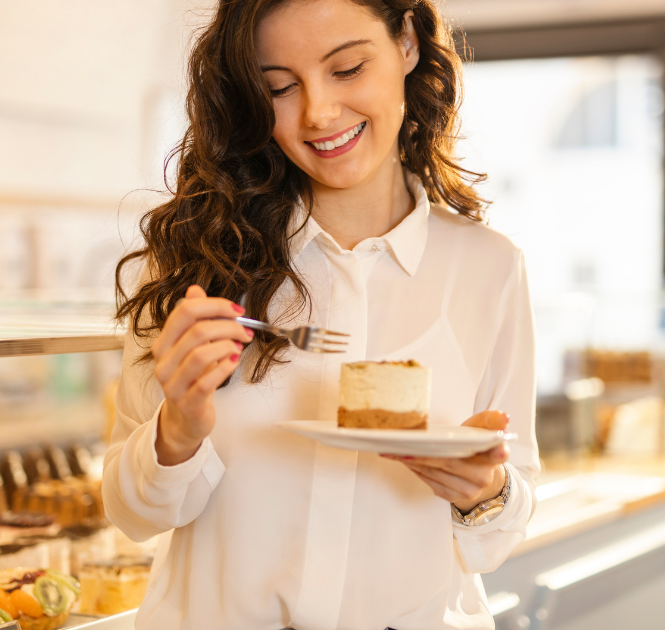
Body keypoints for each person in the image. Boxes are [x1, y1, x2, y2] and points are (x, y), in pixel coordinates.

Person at [103, 0, 539, 628]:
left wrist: (486, 494)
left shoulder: (488, 267)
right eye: (279, 86)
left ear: (408, 44)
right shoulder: (196, 260)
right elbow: (133, 514)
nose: (318, 112)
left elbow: (501, 528)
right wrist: (176, 430)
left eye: (348, 68)